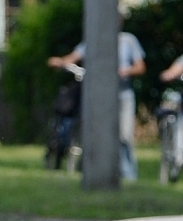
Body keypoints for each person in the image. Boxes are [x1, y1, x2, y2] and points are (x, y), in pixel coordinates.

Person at [48, 22, 146, 180]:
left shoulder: (128, 40)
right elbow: (73, 57)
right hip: (97, 94)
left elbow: (140, 66)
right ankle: (89, 166)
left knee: (124, 135)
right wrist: (60, 62)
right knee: (91, 130)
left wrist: (123, 71)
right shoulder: (93, 40)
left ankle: (128, 174)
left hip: (122, 94)